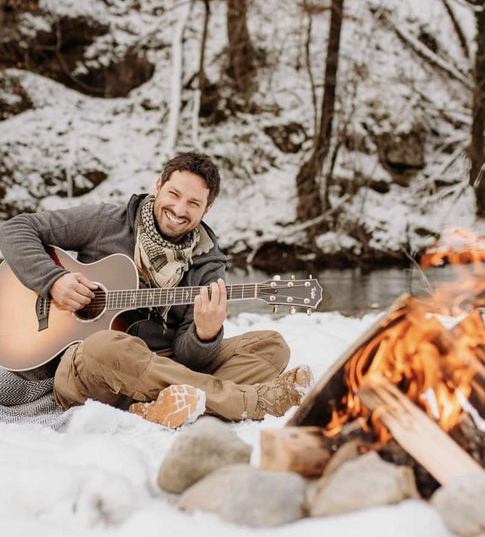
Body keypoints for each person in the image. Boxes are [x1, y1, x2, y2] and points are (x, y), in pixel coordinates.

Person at [0, 150, 312, 428]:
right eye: (174, 194)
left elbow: (190, 359)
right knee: (107, 344)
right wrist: (53, 281)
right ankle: (245, 402)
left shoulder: (207, 264)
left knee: (271, 346)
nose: (179, 209)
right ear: (158, 186)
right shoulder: (106, 222)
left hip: (159, 365)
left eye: (193, 203)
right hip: (89, 368)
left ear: (208, 208)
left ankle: (157, 406)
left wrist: (204, 334)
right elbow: (16, 228)